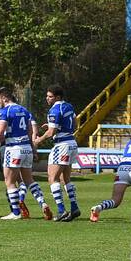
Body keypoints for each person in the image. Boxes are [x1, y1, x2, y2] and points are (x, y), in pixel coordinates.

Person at [0, 87, 49, 220]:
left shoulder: (5, 111)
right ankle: (43, 203)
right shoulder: (24, 110)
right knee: (29, 180)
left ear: (5, 98)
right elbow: (30, 131)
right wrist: (32, 148)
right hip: (26, 148)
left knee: (9, 181)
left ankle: (16, 212)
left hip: (13, 148)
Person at [33, 86, 81, 221]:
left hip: (61, 145)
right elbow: (74, 123)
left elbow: (51, 133)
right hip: (72, 143)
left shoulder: (54, 109)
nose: (47, 98)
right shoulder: (68, 106)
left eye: (50, 96)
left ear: (57, 97)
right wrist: (53, 127)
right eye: (47, 96)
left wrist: (38, 140)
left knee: (52, 178)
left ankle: (61, 210)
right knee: (65, 179)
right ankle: (74, 207)